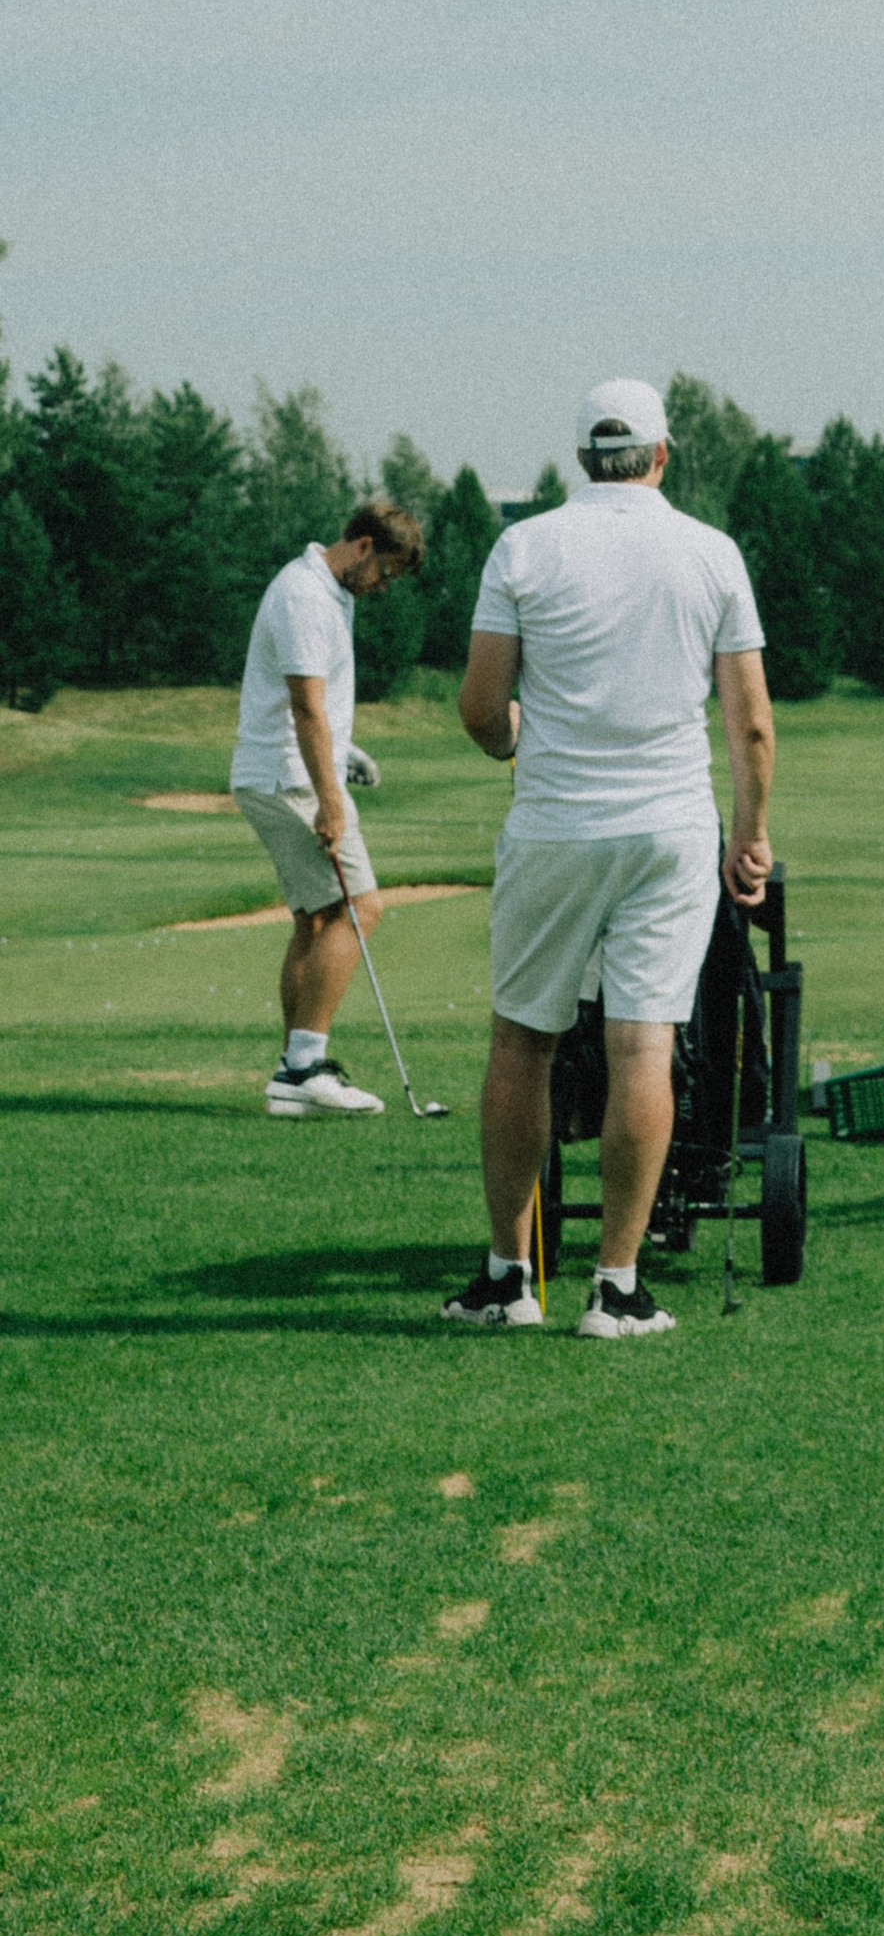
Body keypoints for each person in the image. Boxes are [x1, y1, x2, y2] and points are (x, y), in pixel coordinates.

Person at [444, 380, 774, 1340]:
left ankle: (512, 1278)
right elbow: (749, 724)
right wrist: (750, 837)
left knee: (522, 1042)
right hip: (670, 830)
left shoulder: (524, 545)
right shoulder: (711, 552)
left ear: (582, 460)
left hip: (553, 825)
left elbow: (479, 706)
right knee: (644, 1047)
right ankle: (617, 1287)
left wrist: (518, 746)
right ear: (661, 455)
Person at [230, 500, 426, 1116]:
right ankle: (305, 1069)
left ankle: (294, 1074)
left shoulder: (324, 590)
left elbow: (318, 708)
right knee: (361, 907)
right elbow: (305, 707)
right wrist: (330, 800)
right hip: (291, 780)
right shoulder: (307, 597)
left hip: (285, 771)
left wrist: (345, 753)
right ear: (363, 546)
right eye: (385, 573)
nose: (384, 588)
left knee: (315, 920)